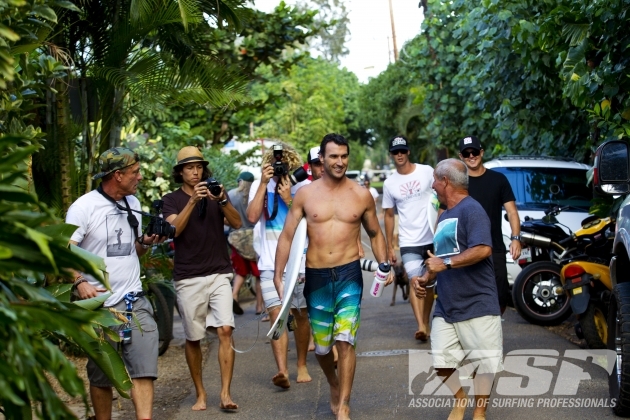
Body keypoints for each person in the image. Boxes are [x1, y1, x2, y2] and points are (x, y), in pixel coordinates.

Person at [274, 133, 393, 420]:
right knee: (323, 348)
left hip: (349, 273)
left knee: (345, 339)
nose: (339, 162)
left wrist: (384, 264)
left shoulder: (361, 194)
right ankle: (333, 383)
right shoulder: (305, 194)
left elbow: (375, 233)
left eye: (343, 156)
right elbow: (287, 236)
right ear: (322, 160)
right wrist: (279, 276)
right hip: (316, 276)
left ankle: (344, 405)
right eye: (333, 157)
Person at [66, 147, 163, 420]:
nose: (140, 177)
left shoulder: (132, 203)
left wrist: (146, 243)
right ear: (118, 175)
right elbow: (63, 253)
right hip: (99, 305)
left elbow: (134, 250)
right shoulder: (83, 207)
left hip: (134, 299)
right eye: (135, 172)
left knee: (144, 368)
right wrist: (80, 281)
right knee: (102, 375)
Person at [414, 158, 503, 420]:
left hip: (478, 302)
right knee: (441, 361)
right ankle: (460, 399)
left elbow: (483, 249)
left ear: (445, 181)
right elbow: (439, 257)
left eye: (434, 180)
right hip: (447, 304)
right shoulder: (444, 215)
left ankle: (479, 412)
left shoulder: (471, 210)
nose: (432, 185)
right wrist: (425, 278)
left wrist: (446, 263)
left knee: (484, 363)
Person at [162, 146, 241, 411]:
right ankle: (200, 393)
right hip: (188, 276)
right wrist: (194, 201)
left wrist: (221, 200)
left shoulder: (216, 192)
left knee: (225, 330)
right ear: (180, 172)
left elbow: (237, 223)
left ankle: (226, 394)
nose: (195, 172)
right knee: (193, 338)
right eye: (189, 168)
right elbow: (173, 230)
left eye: (198, 167)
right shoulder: (171, 199)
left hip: (219, 270)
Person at [246, 142, 312, 388]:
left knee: (301, 316)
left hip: (300, 262)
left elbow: (311, 223)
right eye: (276, 161)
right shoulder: (259, 185)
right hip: (269, 263)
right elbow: (252, 217)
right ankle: (282, 371)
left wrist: (288, 199)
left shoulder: (303, 185)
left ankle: (302, 364)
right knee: (276, 316)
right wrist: (264, 183)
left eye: (284, 160)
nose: (280, 164)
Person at [382, 135, 436, 341]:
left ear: (408, 152)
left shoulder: (427, 171)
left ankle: (426, 321)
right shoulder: (389, 184)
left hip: (432, 237)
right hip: (409, 241)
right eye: (396, 152)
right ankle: (421, 325)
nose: (400, 155)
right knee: (415, 280)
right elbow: (388, 215)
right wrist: (389, 247)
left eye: (402, 151)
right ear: (391, 155)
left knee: (429, 283)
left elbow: (440, 197)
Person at [458, 135, 521, 313]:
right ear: (461, 156)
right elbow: (444, 213)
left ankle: (494, 325)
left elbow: (512, 212)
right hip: (465, 249)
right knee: (469, 296)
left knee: (500, 296)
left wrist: (516, 238)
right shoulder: (458, 183)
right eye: (466, 153)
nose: (471, 156)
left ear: (482, 152)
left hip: (494, 247)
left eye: (475, 152)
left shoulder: (498, 179)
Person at [228, 171, 264, 316]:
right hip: (253, 237)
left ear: (240, 181)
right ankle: (259, 307)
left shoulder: (231, 195)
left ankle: (234, 295)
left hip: (236, 238)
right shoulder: (256, 195)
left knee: (240, 272)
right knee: (258, 275)